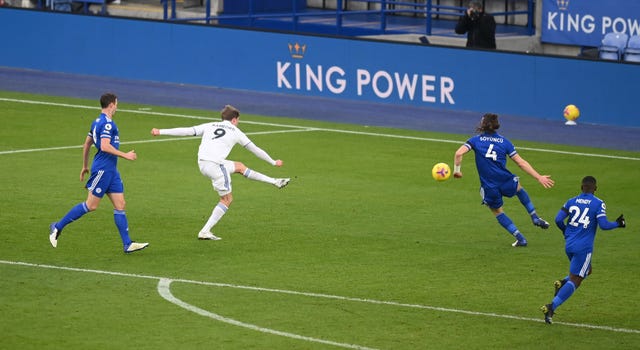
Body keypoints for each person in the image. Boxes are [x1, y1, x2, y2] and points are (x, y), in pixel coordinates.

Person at [150, 105, 290, 241]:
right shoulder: (236, 132)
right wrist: (273, 162)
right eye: (238, 120)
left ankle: (275, 181)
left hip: (203, 163)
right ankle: (205, 231)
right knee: (227, 200)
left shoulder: (210, 125)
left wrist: (160, 131)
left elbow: (186, 130)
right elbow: (255, 149)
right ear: (234, 119)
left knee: (239, 167)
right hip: (216, 167)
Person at [49, 93, 149, 253]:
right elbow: (104, 146)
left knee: (120, 204)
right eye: (116, 103)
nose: (117, 107)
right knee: (91, 205)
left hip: (111, 171)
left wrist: (84, 166)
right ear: (111, 104)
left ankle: (127, 244)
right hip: (103, 169)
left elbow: (87, 143)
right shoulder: (107, 124)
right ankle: (57, 227)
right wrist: (126, 155)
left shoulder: (97, 122)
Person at [453, 113, 554, 247]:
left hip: (490, 186)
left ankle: (520, 238)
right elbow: (521, 163)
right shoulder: (505, 142)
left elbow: (459, 153)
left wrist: (457, 171)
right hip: (505, 180)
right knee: (519, 188)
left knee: (497, 211)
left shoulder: (475, 140)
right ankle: (534, 217)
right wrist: (539, 177)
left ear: (483, 124)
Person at [541, 176, 626, 324]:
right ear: (595, 188)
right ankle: (551, 306)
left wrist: (565, 231)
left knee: (587, 270)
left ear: (581, 188)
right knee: (576, 280)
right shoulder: (598, 203)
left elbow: (557, 219)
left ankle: (562, 283)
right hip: (583, 248)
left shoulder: (571, 200)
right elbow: (604, 225)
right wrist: (618, 224)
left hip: (569, 245)